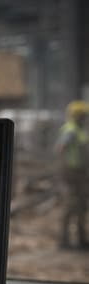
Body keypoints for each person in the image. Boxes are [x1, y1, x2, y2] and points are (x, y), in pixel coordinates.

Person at [55, 100, 89, 249]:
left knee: (82, 205)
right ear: (78, 115)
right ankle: (64, 241)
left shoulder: (80, 130)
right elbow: (61, 148)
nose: (85, 118)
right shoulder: (71, 130)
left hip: (80, 173)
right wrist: (64, 167)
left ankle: (81, 239)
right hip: (70, 173)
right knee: (70, 205)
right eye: (83, 115)